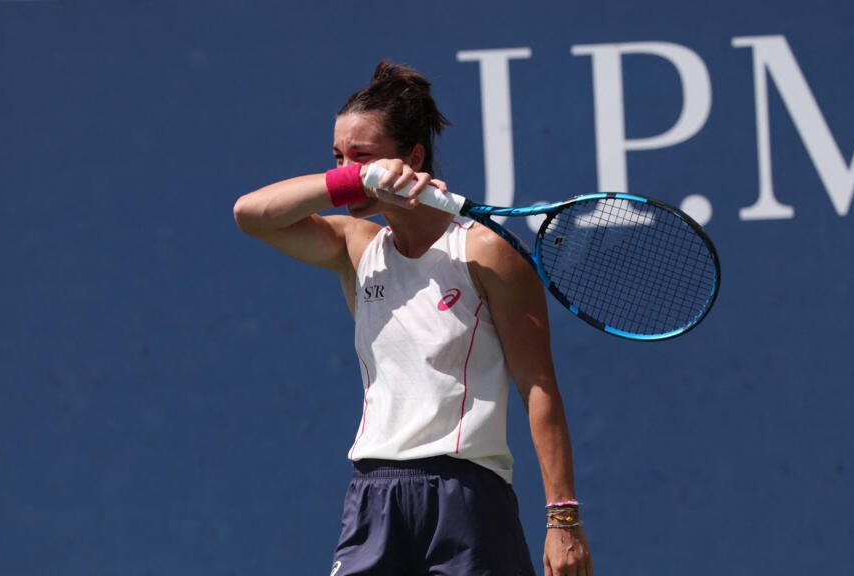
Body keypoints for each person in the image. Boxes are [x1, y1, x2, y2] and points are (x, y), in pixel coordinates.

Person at [233, 61, 592, 576]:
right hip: (373, 497)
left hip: (467, 497)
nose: (345, 170)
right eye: (337, 158)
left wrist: (563, 521)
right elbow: (251, 214)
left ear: (414, 157)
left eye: (362, 155)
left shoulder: (484, 249)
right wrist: (359, 177)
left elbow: (539, 386)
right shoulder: (354, 246)